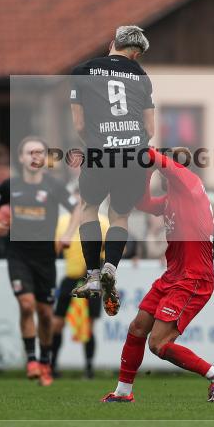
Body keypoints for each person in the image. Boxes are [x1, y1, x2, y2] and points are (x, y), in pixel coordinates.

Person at [102, 147, 214, 403]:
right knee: (137, 327)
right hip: (173, 276)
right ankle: (123, 392)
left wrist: (131, 145)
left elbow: (154, 156)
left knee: (158, 344)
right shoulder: (171, 197)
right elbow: (142, 203)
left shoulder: (190, 183)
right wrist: (147, 171)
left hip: (194, 278)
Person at [68, 25, 155, 317]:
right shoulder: (140, 76)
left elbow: (79, 125)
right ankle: (110, 268)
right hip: (133, 154)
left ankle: (92, 274)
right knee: (120, 215)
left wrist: (95, 143)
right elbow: (150, 129)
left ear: (111, 43)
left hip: (99, 152)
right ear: (135, 54)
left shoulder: (82, 71)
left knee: (89, 206)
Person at [0, 136, 80, 386]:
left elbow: (78, 209)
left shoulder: (54, 186)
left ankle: (46, 361)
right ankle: (31, 360)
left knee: (45, 314)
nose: (34, 157)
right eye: (30, 152)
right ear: (21, 158)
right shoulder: (9, 186)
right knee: (26, 305)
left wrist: (69, 233)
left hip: (45, 258)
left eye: (39, 152)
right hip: (18, 255)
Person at [50, 209, 105, 379]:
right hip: (71, 277)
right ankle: (52, 365)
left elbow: (116, 248)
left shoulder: (102, 222)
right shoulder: (62, 222)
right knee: (57, 322)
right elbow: (54, 247)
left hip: (91, 278)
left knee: (88, 325)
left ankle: (88, 368)